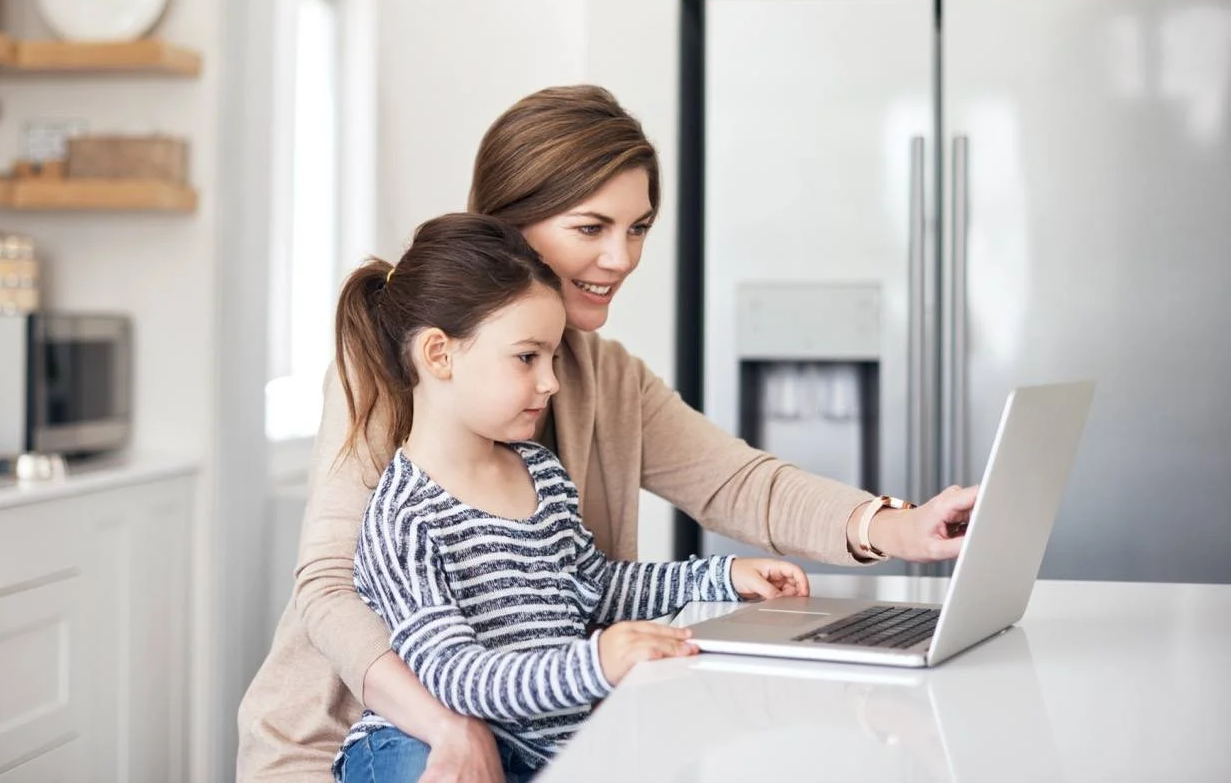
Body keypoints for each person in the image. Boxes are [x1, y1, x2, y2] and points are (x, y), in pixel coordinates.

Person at [237, 85, 976, 783]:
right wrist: (448, 725)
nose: (621, 258)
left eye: (638, 228)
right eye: (591, 228)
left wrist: (897, 528)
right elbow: (331, 589)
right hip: (361, 739)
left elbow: (735, 484)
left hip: (535, 727)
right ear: (507, 228)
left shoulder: (609, 377)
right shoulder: (390, 366)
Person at [328, 213, 812, 782]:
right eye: (527, 357)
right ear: (440, 355)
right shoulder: (404, 517)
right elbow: (455, 675)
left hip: (544, 747)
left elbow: (599, 588)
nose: (551, 382)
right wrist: (597, 663)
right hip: (418, 743)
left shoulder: (542, 474)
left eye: (553, 358)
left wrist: (722, 576)